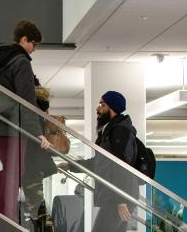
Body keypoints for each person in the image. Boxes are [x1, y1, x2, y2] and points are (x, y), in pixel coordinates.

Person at [0, 20, 51, 223]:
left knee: (12, 170)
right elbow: (27, 100)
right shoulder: (21, 61)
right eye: (34, 44)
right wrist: (38, 132)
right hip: (12, 125)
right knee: (15, 171)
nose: (34, 50)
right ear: (24, 39)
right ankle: (2, 218)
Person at [58, 91, 139, 232]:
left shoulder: (120, 131)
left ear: (112, 108)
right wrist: (70, 165)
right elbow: (99, 163)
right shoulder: (110, 131)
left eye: (102, 104)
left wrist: (121, 200)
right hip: (114, 195)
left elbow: (122, 165)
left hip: (118, 197)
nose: (98, 108)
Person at [22, 79, 58, 231]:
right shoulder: (41, 110)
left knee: (36, 209)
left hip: (31, 165)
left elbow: (33, 144)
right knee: (37, 207)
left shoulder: (31, 110)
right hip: (35, 166)